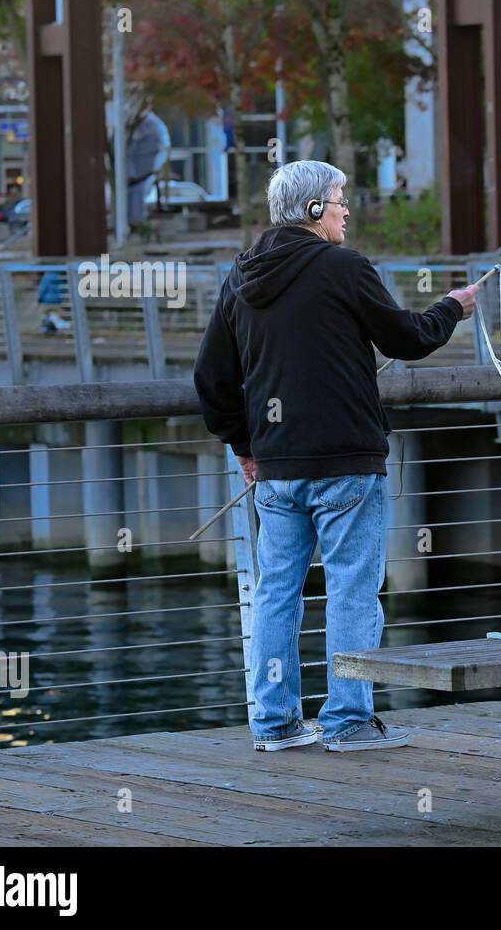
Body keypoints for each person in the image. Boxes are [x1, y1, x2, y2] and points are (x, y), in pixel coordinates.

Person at [193, 160, 479, 753]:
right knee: (351, 590)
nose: (348, 210)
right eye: (340, 199)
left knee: (276, 592)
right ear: (315, 211)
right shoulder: (344, 268)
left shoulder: (240, 277)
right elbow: (408, 337)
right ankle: (349, 722)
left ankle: (274, 724)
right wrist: (453, 306)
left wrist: (245, 446)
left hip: (275, 467)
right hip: (346, 459)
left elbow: (211, 377)